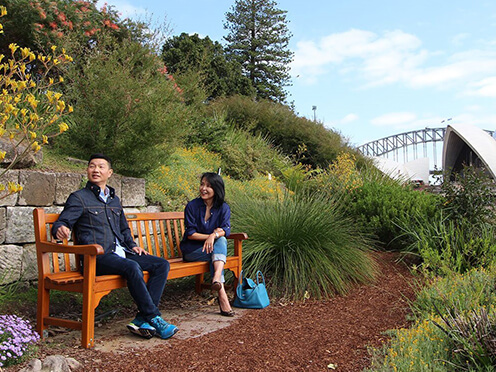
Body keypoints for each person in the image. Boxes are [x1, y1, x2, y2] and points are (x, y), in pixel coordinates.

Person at [52, 154, 178, 340]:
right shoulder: (79, 198)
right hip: (98, 258)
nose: (96, 170)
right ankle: (154, 318)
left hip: (121, 254)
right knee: (132, 267)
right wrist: (61, 228)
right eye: (92, 166)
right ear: (87, 170)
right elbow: (63, 221)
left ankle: (142, 319)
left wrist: (132, 246)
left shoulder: (114, 199)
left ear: (109, 173)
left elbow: (123, 228)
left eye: (101, 167)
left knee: (161, 264)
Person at [180, 172, 235, 316]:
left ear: (217, 189)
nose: (203, 188)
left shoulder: (223, 208)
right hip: (192, 251)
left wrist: (214, 235)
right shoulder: (192, 206)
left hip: (211, 252)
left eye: (208, 186)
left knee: (218, 246)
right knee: (219, 245)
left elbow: (226, 229)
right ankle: (221, 290)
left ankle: (218, 282)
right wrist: (211, 237)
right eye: (202, 184)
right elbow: (191, 234)